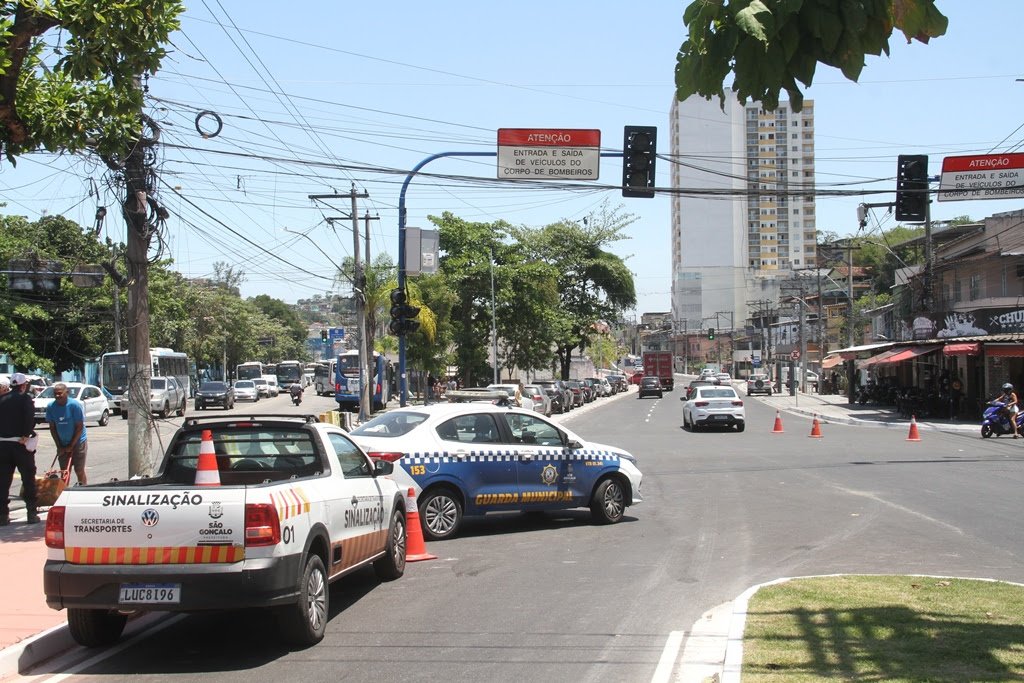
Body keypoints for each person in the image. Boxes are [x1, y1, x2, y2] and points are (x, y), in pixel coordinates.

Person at [0, 373, 40, 524]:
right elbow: (30, 418)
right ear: (23, 385)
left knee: (3, 481)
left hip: (2, 445)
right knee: (28, 479)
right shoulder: (25, 399)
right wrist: (25, 434)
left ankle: (2, 515)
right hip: (20, 444)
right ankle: (31, 513)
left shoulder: (1, 399)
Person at [45, 381, 89, 485]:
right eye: (55, 393)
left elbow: (79, 427)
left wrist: (71, 445)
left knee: (79, 470)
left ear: (67, 392)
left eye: (60, 393)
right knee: (64, 471)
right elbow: (52, 428)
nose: (57, 395)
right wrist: (59, 446)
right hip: (62, 442)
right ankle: (64, 493)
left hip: (78, 442)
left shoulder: (74, 405)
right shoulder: (51, 406)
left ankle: (84, 490)